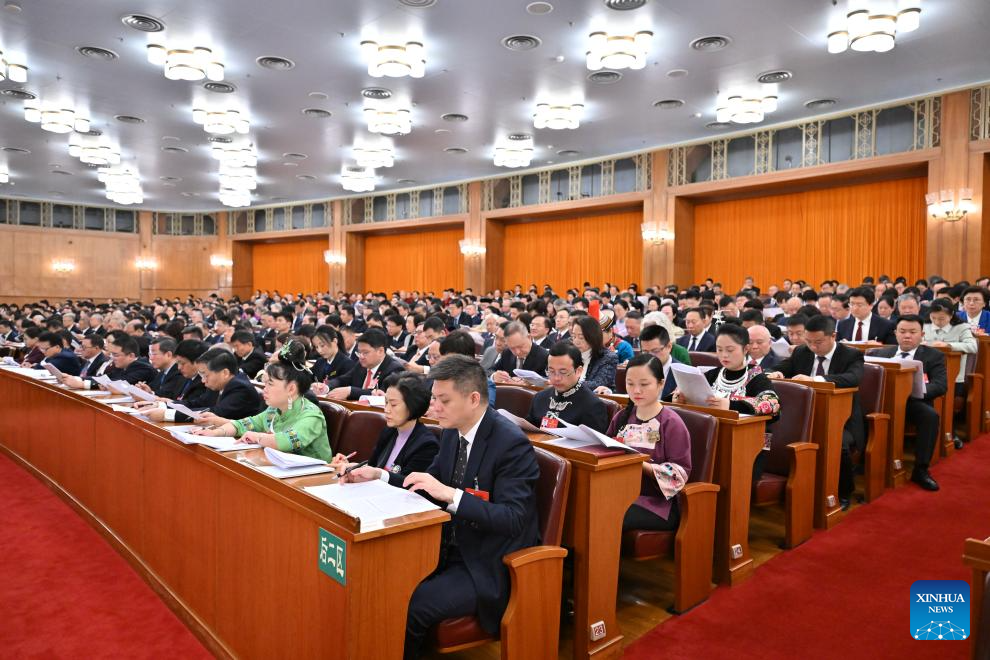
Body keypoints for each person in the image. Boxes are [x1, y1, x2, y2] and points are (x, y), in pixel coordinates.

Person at [342, 355, 540, 660]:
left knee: (410, 604)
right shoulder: (451, 432)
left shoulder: (511, 444)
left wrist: (452, 495)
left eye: (443, 400)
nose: (433, 408)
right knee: (378, 583)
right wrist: (379, 474)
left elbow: (513, 519)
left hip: (484, 561)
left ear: (474, 398)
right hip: (443, 546)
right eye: (433, 398)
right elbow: (427, 482)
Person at [767, 315, 864, 509]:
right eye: (808, 341)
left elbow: (853, 378)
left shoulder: (851, 355)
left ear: (833, 336)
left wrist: (817, 380)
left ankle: (843, 491)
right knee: (774, 436)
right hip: (803, 416)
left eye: (818, 342)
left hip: (841, 418)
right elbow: (783, 367)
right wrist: (777, 372)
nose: (813, 347)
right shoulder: (802, 351)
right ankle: (793, 487)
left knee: (839, 444)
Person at [672, 323, 780, 479]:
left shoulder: (757, 378)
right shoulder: (712, 374)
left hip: (750, 446)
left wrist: (730, 404)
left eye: (730, 350)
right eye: (719, 349)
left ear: (745, 349)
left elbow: (772, 404)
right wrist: (680, 398)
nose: (724, 355)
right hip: (713, 440)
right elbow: (682, 395)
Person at [193, 341, 332, 461]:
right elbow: (244, 424)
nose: (264, 389)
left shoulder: (311, 415)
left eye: (270, 384)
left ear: (291, 389)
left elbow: (288, 441)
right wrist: (214, 433)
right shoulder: (274, 410)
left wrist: (257, 437)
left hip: (314, 480)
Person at [609, 353, 692, 532]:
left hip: (657, 504)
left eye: (644, 384)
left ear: (660, 384)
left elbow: (678, 477)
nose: (636, 391)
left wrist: (640, 465)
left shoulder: (672, 423)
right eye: (630, 384)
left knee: (608, 513)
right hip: (620, 493)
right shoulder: (622, 417)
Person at [870, 315, 946, 491]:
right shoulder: (880, 353)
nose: (907, 336)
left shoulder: (934, 356)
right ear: (895, 333)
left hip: (913, 402)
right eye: (902, 331)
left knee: (930, 416)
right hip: (883, 401)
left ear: (922, 334)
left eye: (913, 332)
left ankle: (921, 470)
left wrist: (918, 391)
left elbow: (941, 385)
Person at [331, 372, 438, 479]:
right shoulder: (389, 431)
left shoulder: (427, 444)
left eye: (394, 404)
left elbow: (408, 484)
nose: (386, 410)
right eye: (386, 402)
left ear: (413, 405)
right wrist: (352, 466)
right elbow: (373, 466)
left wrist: (377, 474)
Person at [150, 347, 263, 423]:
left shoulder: (241, 388)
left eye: (205, 375)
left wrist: (168, 414)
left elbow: (214, 413)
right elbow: (198, 403)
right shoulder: (218, 383)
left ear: (225, 373)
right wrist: (165, 405)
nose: (203, 381)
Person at [924, 298, 976, 449]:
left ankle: (950, 433)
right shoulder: (925, 325)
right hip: (928, 374)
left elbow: (972, 346)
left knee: (948, 407)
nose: (937, 322)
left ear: (951, 315)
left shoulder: (961, 327)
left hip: (954, 375)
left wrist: (948, 345)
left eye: (942, 318)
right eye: (934, 318)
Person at [526, 342, 610, 433]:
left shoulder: (592, 405)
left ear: (578, 371)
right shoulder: (539, 398)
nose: (556, 378)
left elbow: (593, 445)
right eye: (551, 371)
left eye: (563, 372)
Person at [327, 328, 404, 400]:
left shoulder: (394, 369)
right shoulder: (361, 365)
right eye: (359, 352)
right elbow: (342, 379)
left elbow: (381, 394)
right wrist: (326, 386)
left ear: (380, 351)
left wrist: (351, 391)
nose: (361, 357)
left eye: (365, 352)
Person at [569, 316, 618, 391]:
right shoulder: (569, 353)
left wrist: (568, 382)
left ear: (593, 336)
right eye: (574, 336)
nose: (576, 341)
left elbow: (598, 383)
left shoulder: (608, 357)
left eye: (581, 337)